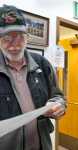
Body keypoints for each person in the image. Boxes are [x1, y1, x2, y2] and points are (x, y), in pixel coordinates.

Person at [0, 4, 66, 150]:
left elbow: (58, 96)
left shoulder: (42, 64)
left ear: (27, 38)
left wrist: (58, 105)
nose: (14, 45)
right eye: (7, 39)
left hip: (41, 145)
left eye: (19, 38)